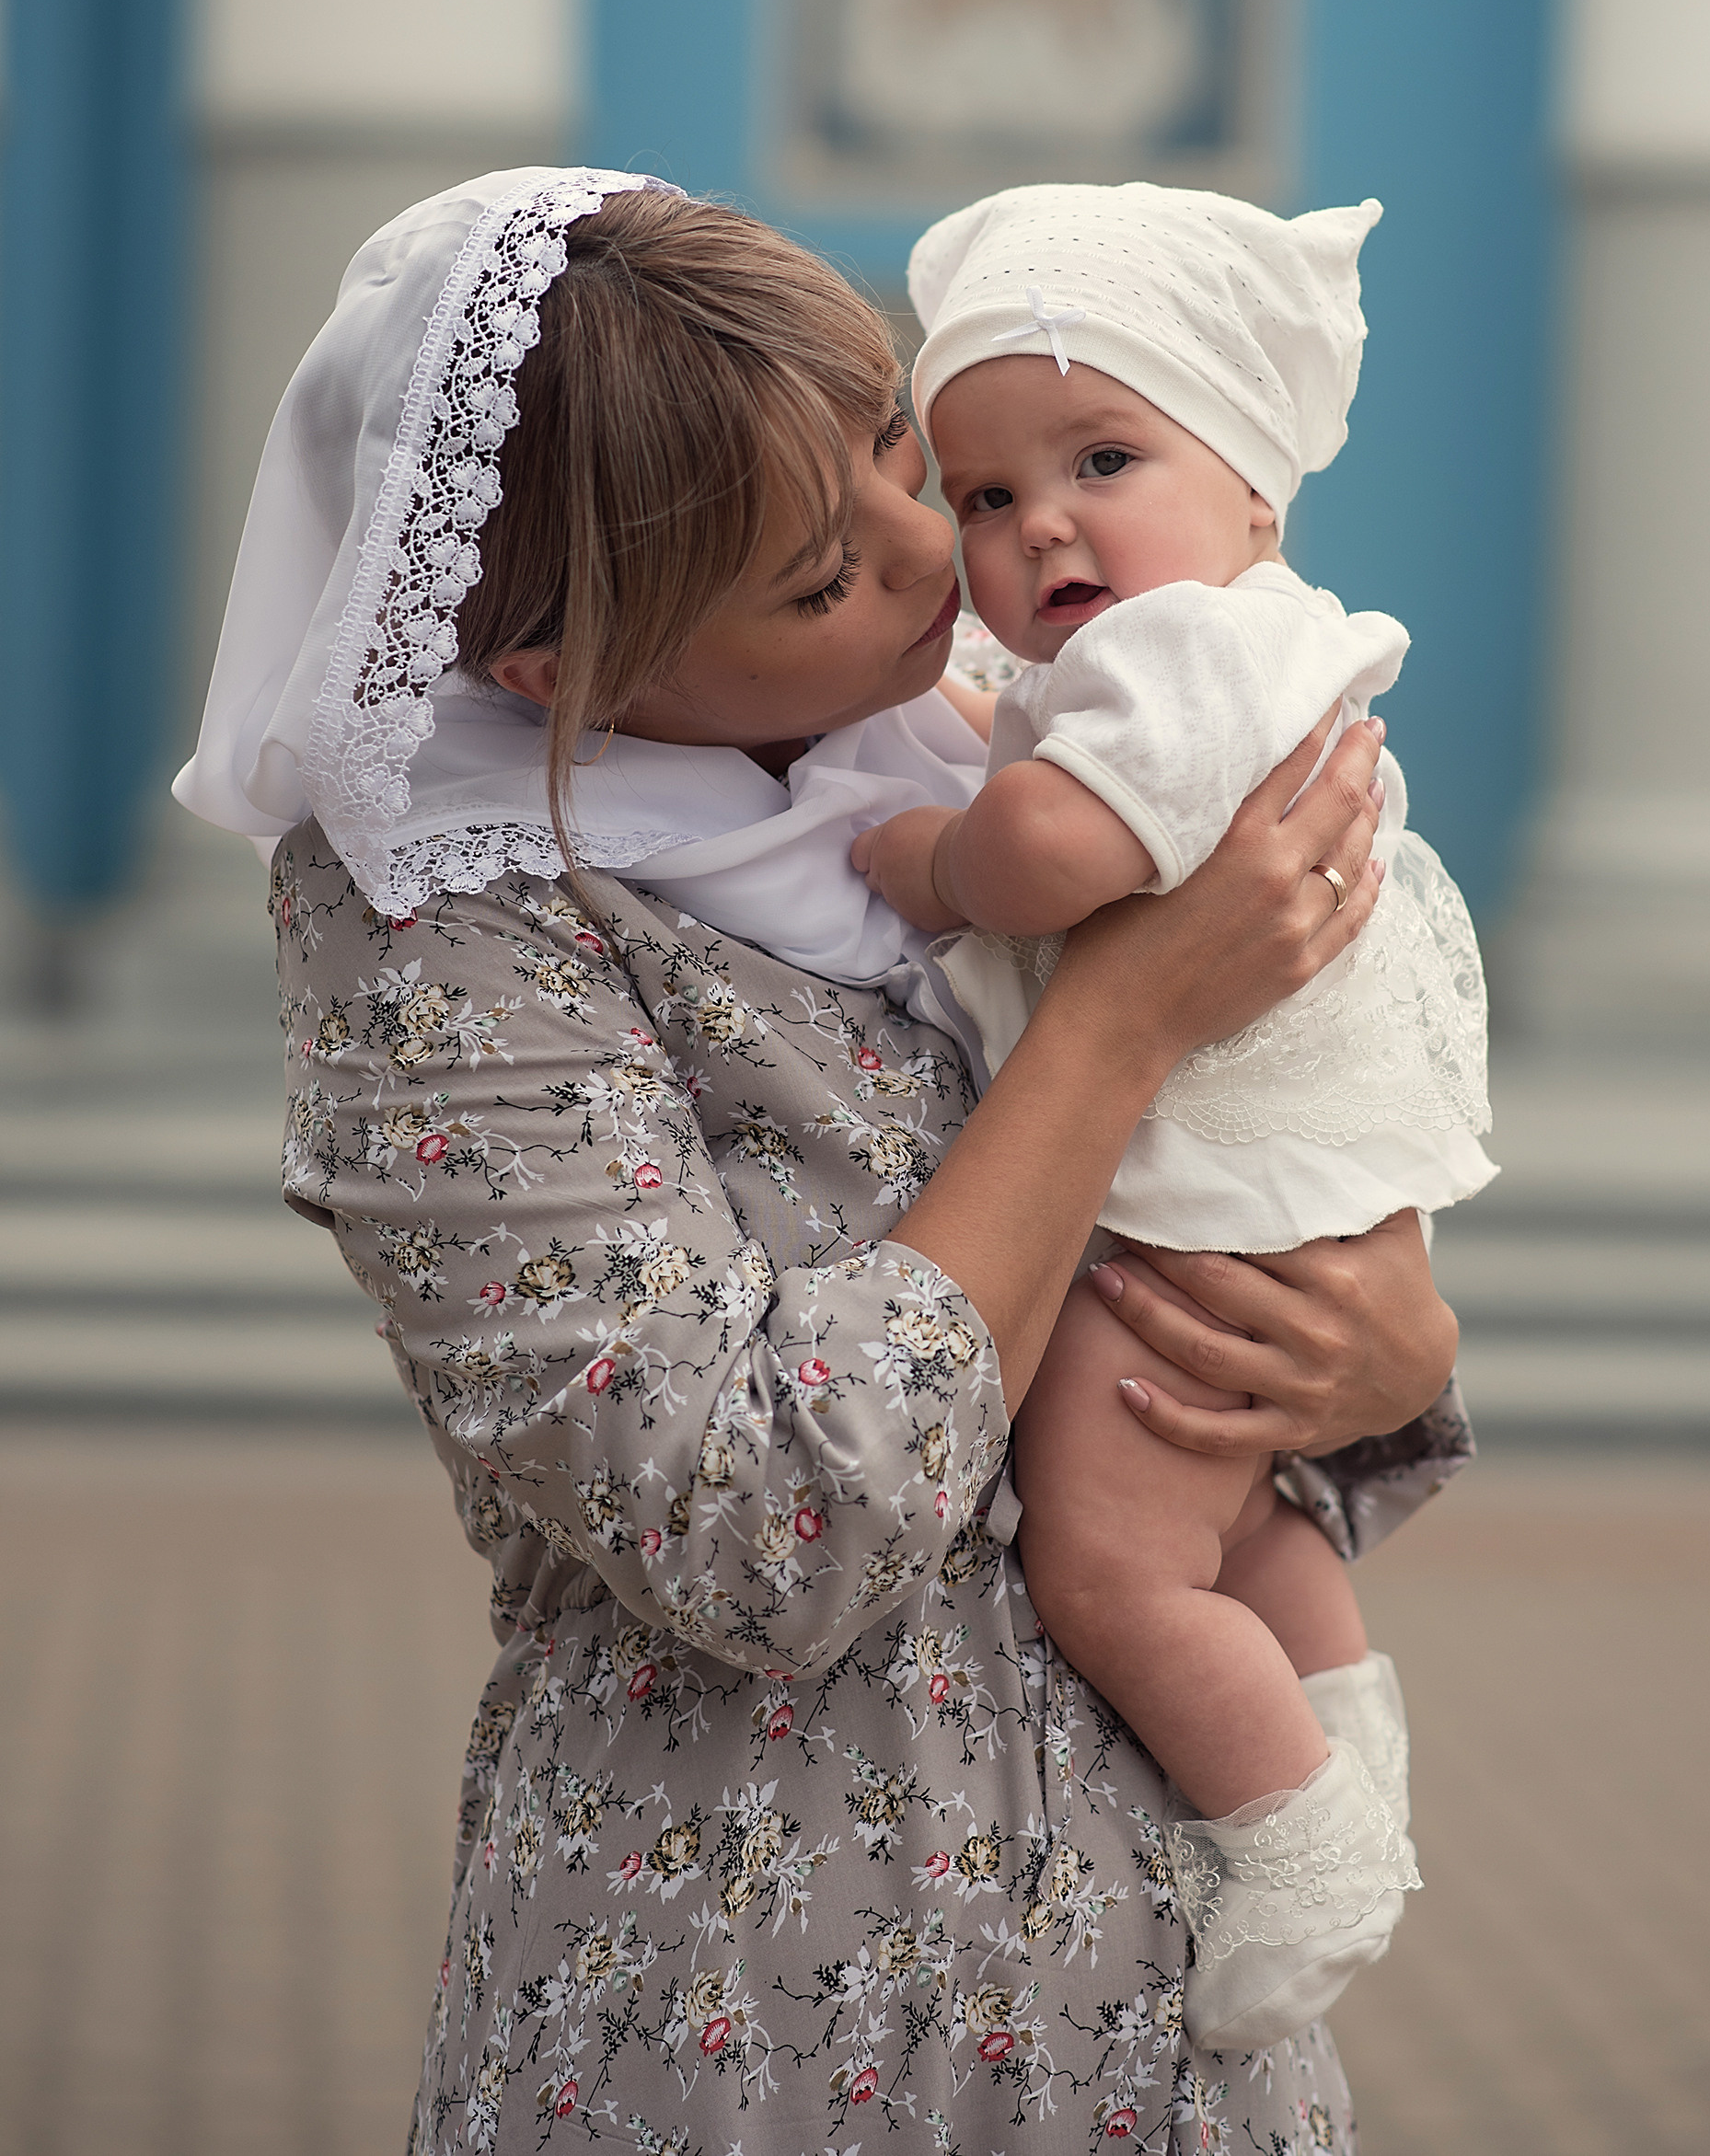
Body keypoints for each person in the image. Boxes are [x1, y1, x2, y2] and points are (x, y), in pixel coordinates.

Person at [174, 167, 1471, 2155]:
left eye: (890, 441)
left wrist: (1375, 1360)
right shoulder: (451, 921)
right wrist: (1121, 1024)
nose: (931, 552)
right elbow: (760, 1523)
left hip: (1170, 2017)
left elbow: (1221, 1248)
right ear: (557, 666)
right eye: (808, 574)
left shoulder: (983, 741)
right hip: (752, 2008)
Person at [847, 179, 1496, 2046]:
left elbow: (1054, 847)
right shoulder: (1192, 641)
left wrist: (928, 850)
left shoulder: (1191, 646)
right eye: (982, 493)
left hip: (1207, 1182)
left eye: (1102, 455)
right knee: (1228, 1511)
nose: (1039, 521)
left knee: (1110, 1557)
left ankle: (1292, 1832)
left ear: (1255, 492)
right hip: (1284, 1166)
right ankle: (1343, 1728)